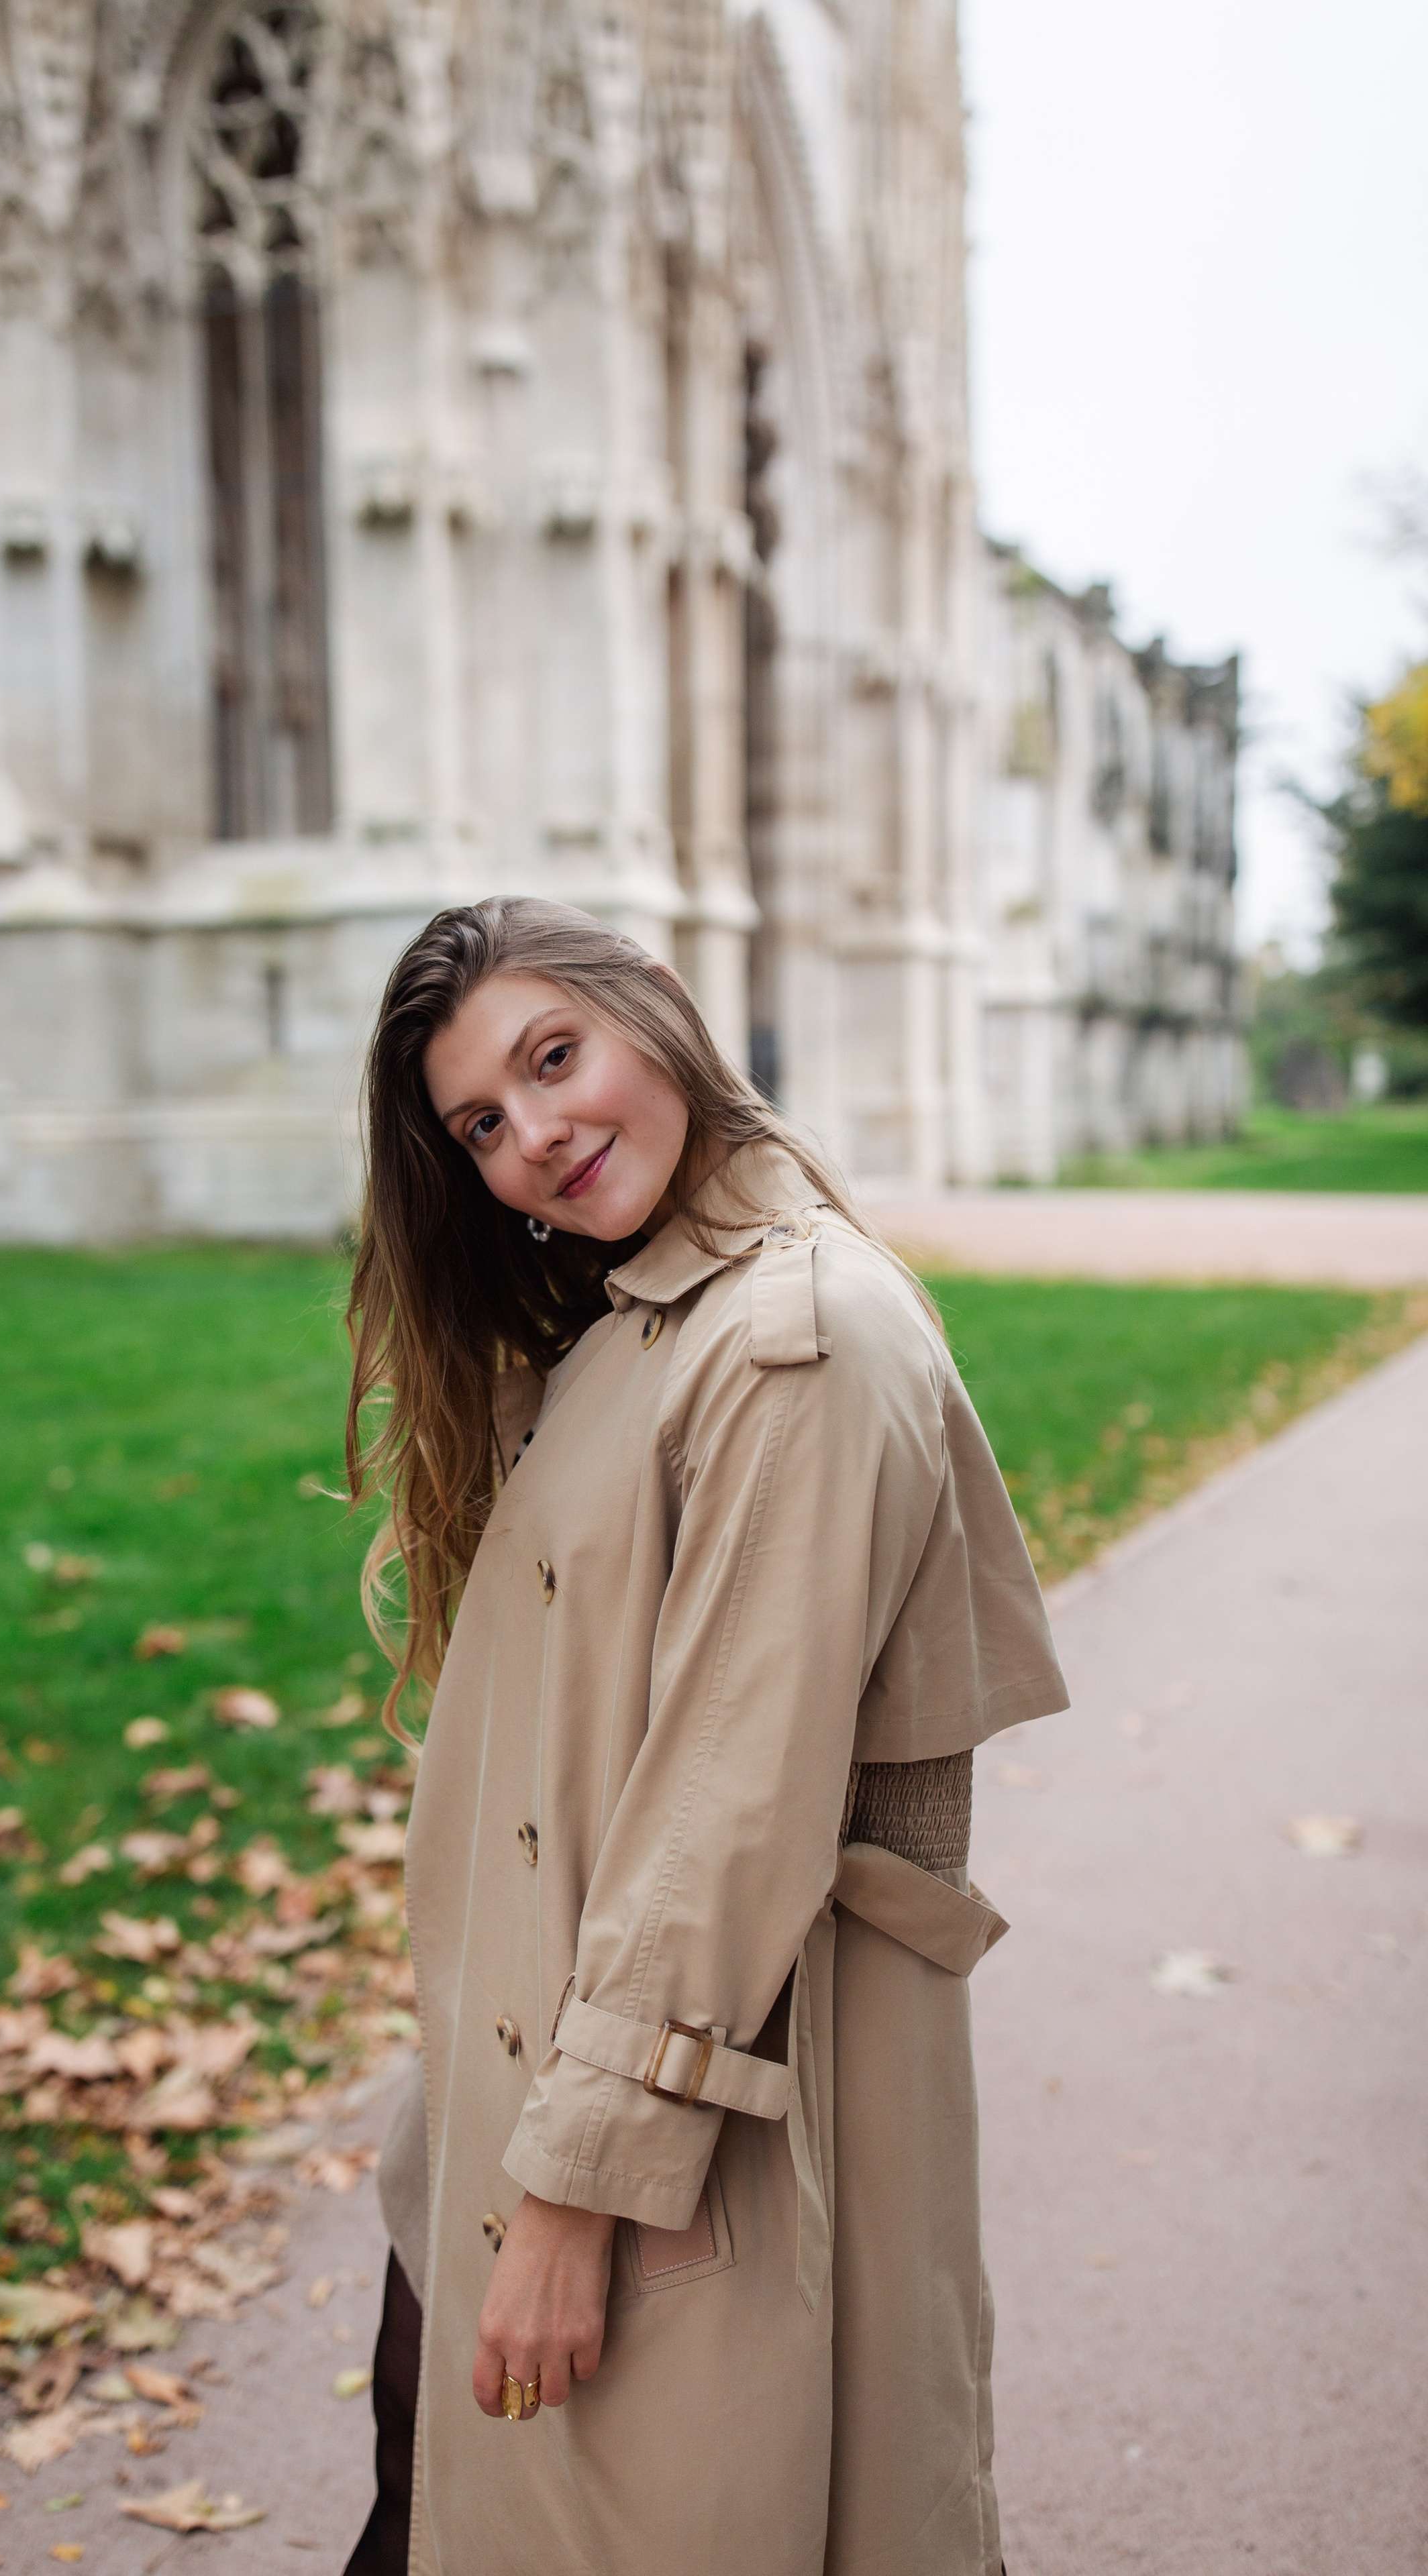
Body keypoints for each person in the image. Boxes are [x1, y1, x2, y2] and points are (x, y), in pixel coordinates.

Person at [340, 898, 1066, 2576]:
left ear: (656, 1003)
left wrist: (571, 2194)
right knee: (425, 2489)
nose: (533, 1135)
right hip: (541, 2056)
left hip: (683, 2111)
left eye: (553, 1058)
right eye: (480, 1124)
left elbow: (729, 1810)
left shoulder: (793, 1338)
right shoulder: (646, 1315)